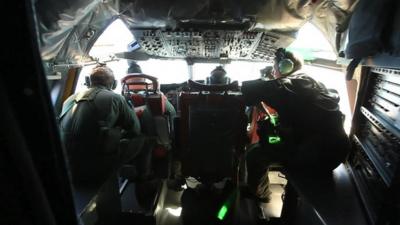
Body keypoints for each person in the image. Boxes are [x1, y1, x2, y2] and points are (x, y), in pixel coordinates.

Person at [241, 48, 349, 214]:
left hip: (316, 152)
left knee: (254, 154)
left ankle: (260, 195)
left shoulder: (295, 82)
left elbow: (256, 91)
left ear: (285, 67)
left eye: (274, 68)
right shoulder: (309, 82)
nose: (273, 72)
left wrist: (240, 87)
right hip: (331, 149)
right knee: (269, 143)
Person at [59, 64, 147, 186]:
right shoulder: (115, 98)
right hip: (95, 167)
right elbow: (135, 129)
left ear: (88, 82)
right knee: (141, 138)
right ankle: (142, 177)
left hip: (67, 166)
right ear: (114, 84)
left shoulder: (69, 99)